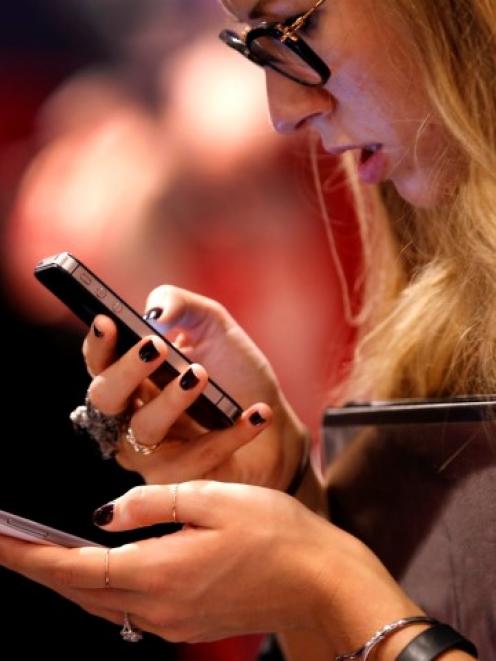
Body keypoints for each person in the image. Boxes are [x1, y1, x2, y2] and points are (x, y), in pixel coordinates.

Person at [0, 0, 493, 658]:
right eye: (253, 47)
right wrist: (285, 484)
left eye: (296, 28)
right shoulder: (434, 294)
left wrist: (327, 582)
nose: (283, 110)